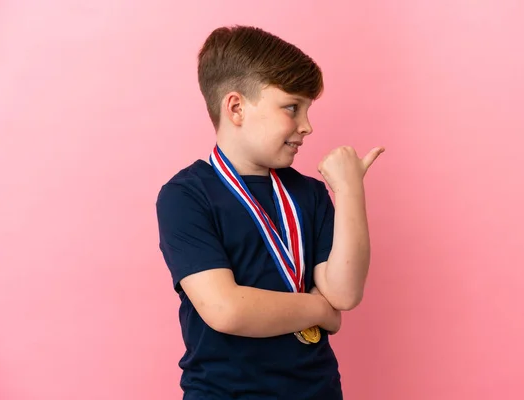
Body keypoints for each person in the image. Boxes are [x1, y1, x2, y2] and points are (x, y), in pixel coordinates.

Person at [156, 25, 384, 400]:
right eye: (292, 107)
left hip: (317, 390)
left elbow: (343, 293)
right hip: (224, 393)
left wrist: (349, 191)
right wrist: (317, 309)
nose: (307, 126)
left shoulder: (308, 192)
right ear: (236, 108)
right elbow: (225, 308)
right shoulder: (186, 196)